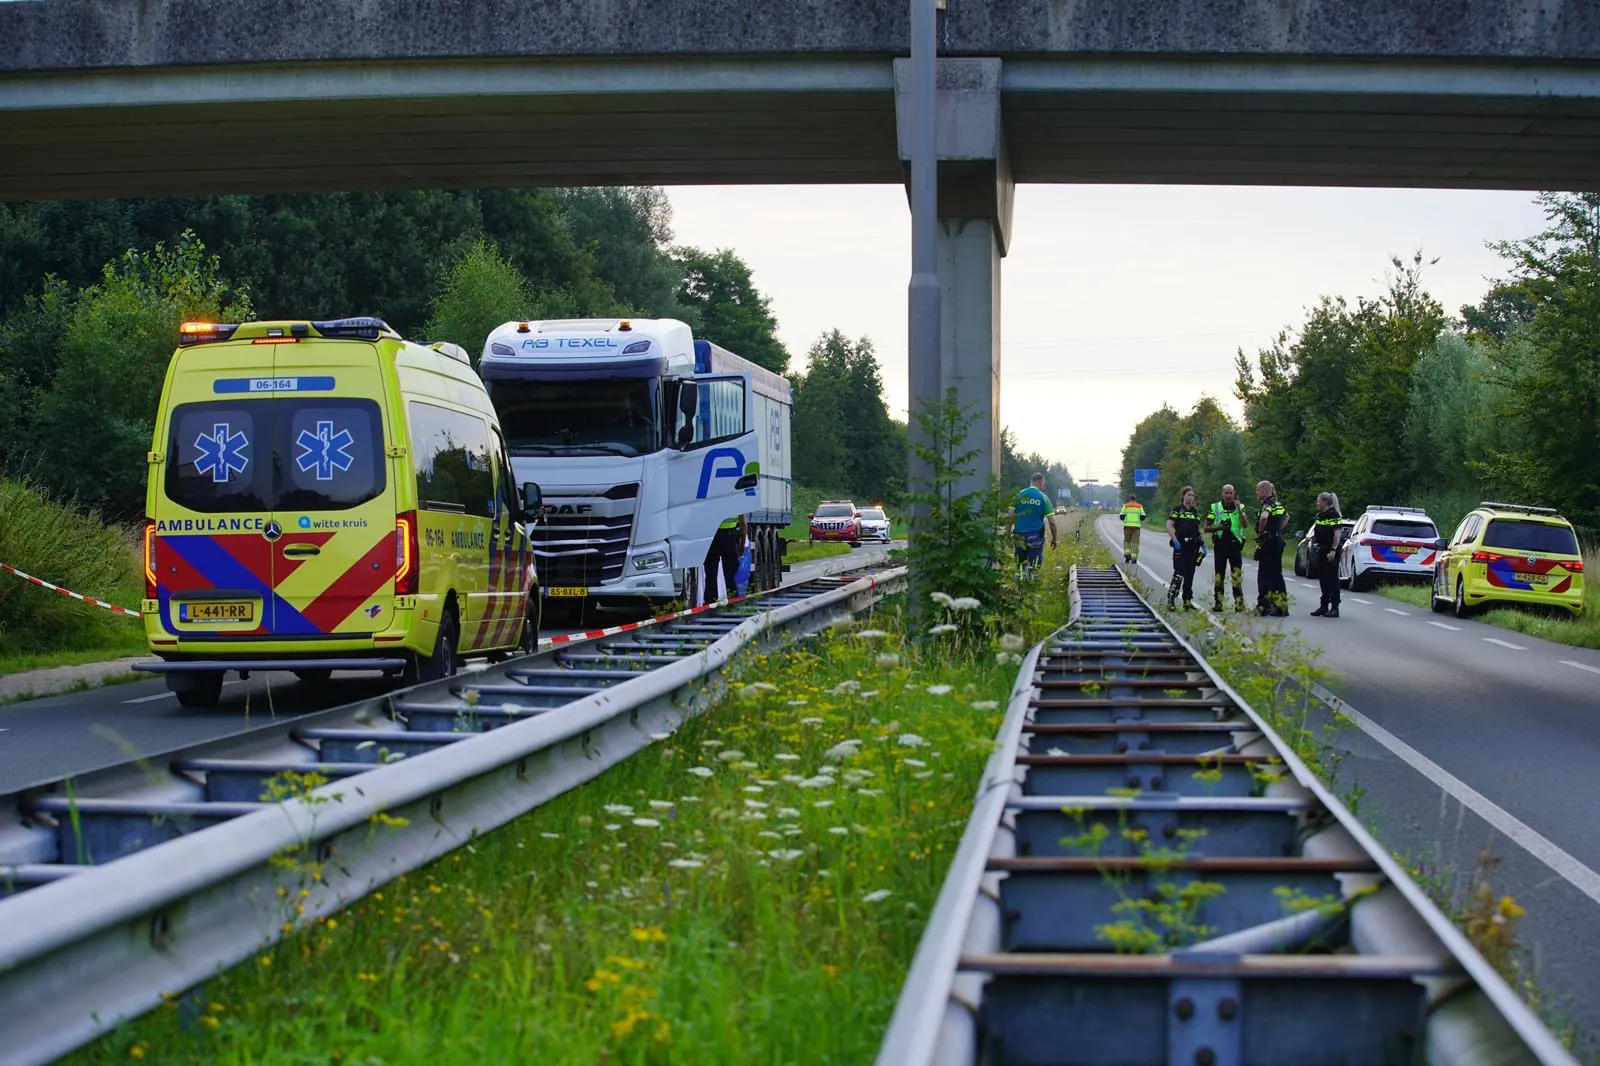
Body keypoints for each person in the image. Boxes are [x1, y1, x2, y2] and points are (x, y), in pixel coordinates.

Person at [1204, 483, 1250, 612]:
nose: (1229, 495)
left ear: (1234, 494)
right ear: (1222, 494)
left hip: (1235, 545)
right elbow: (1206, 528)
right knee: (1219, 575)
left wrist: (1239, 509)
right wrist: (1219, 527)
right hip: (1221, 545)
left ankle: (1239, 604)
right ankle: (1218, 603)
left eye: (1231, 493)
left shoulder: (1240, 507)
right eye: (1226, 493)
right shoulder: (1215, 507)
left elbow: (1245, 525)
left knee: (1236, 575)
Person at [1165, 485, 1205, 611]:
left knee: (1190, 575)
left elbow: (1198, 529)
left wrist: (1203, 545)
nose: (1190, 498)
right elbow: (1169, 525)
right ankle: (1171, 600)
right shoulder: (1178, 509)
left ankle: (1187, 601)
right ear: (1183, 496)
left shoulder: (1194, 511)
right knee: (1179, 573)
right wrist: (1175, 541)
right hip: (1181, 546)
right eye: (1188, 495)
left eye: (1192, 495)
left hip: (1193, 547)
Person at [1254, 480, 1289, 616]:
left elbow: (1264, 518)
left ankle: (1263, 606)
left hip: (1268, 543)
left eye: (1258, 490)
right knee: (1276, 575)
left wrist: (1261, 533)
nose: (1257, 493)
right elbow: (1286, 516)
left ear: (1264, 490)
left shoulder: (1268, 504)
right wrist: (1278, 530)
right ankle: (1281, 607)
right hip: (1277, 541)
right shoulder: (1277, 503)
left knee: (1264, 575)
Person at [1310, 491, 1346, 618]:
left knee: (1332, 578)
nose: (1317, 503)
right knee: (1323, 579)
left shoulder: (1333, 514)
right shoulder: (1320, 515)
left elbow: (1337, 534)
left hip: (1331, 549)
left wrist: (1333, 550)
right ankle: (1324, 606)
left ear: (1325, 502)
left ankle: (1335, 608)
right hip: (1322, 548)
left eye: (1318, 500)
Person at [1011, 472, 1051, 577]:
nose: (1043, 487)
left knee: (1020, 565)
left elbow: (1010, 516)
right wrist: (1054, 539)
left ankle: (1020, 584)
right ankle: (1031, 583)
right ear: (1041, 482)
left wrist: (1006, 535)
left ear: (1031, 482)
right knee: (1034, 566)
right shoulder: (1043, 498)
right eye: (1043, 484)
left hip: (1019, 536)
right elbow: (1052, 522)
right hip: (1035, 537)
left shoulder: (1017, 495)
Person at [703, 513, 746, 603]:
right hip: (729, 539)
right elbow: (743, 523)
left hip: (712, 539)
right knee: (730, 576)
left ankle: (710, 604)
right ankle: (733, 603)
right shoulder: (735, 503)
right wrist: (742, 543)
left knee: (711, 575)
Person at [1118, 495, 1147, 564]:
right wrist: (1137, 519)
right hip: (1136, 527)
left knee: (1127, 541)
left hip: (1127, 527)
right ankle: (1133, 559)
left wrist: (1126, 519)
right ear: (1135, 499)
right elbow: (1143, 516)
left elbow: (1121, 516)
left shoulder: (1126, 506)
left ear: (1130, 499)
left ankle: (1127, 555)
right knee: (1135, 543)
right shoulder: (1139, 506)